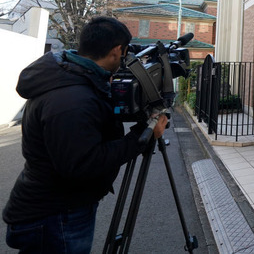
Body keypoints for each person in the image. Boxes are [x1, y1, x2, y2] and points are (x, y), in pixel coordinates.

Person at [3, 16, 168, 253]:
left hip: (54, 209)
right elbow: (83, 164)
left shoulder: (71, 76)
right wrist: (142, 136)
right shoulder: (74, 98)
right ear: (116, 51)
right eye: (124, 53)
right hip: (56, 215)